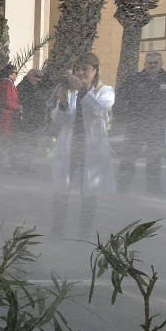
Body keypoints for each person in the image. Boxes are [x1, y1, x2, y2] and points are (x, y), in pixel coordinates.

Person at [51, 53, 115, 237]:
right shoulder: (71, 93)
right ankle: (57, 231)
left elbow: (98, 110)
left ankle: (84, 235)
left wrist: (84, 91)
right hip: (70, 148)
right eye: (77, 69)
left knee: (88, 193)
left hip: (91, 149)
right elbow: (58, 119)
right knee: (60, 191)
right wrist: (62, 102)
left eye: (85, 69)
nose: (80, 72)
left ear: (95, 71)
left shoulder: (105, 91)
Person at [116, 52, 166, 195]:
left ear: (161, 64)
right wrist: (122, 119)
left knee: (154, 159)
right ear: (145, 64)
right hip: (135, 126)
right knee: (129, 158)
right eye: (150, 63)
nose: (153, 65)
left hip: (156, 126)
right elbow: (119, 98)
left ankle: (153, 189)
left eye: (156, 62)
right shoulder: (135, 79)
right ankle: (121, 189)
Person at [15, 68, 51, 171]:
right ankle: (21, 165)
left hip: (37, 120)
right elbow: (22, 100)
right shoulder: (23, 86)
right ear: (31, 76)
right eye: (37, 77)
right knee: (24, 143)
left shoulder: (40, 86)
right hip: (25, 119)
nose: (39, 79)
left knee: (33, 143)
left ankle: (27, 164)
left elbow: (43, 100)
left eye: (40, 77)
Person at [0, 63, 21, 173]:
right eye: (15, 73)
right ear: (10, 74)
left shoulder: (8, 84)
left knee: (5, 141)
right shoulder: (7, 84)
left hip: (9, 117)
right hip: (6, 118)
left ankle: (0, 164)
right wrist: (19, 107)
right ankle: (0, 164)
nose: (17, 75)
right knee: (4, 141)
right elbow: (8, 101)